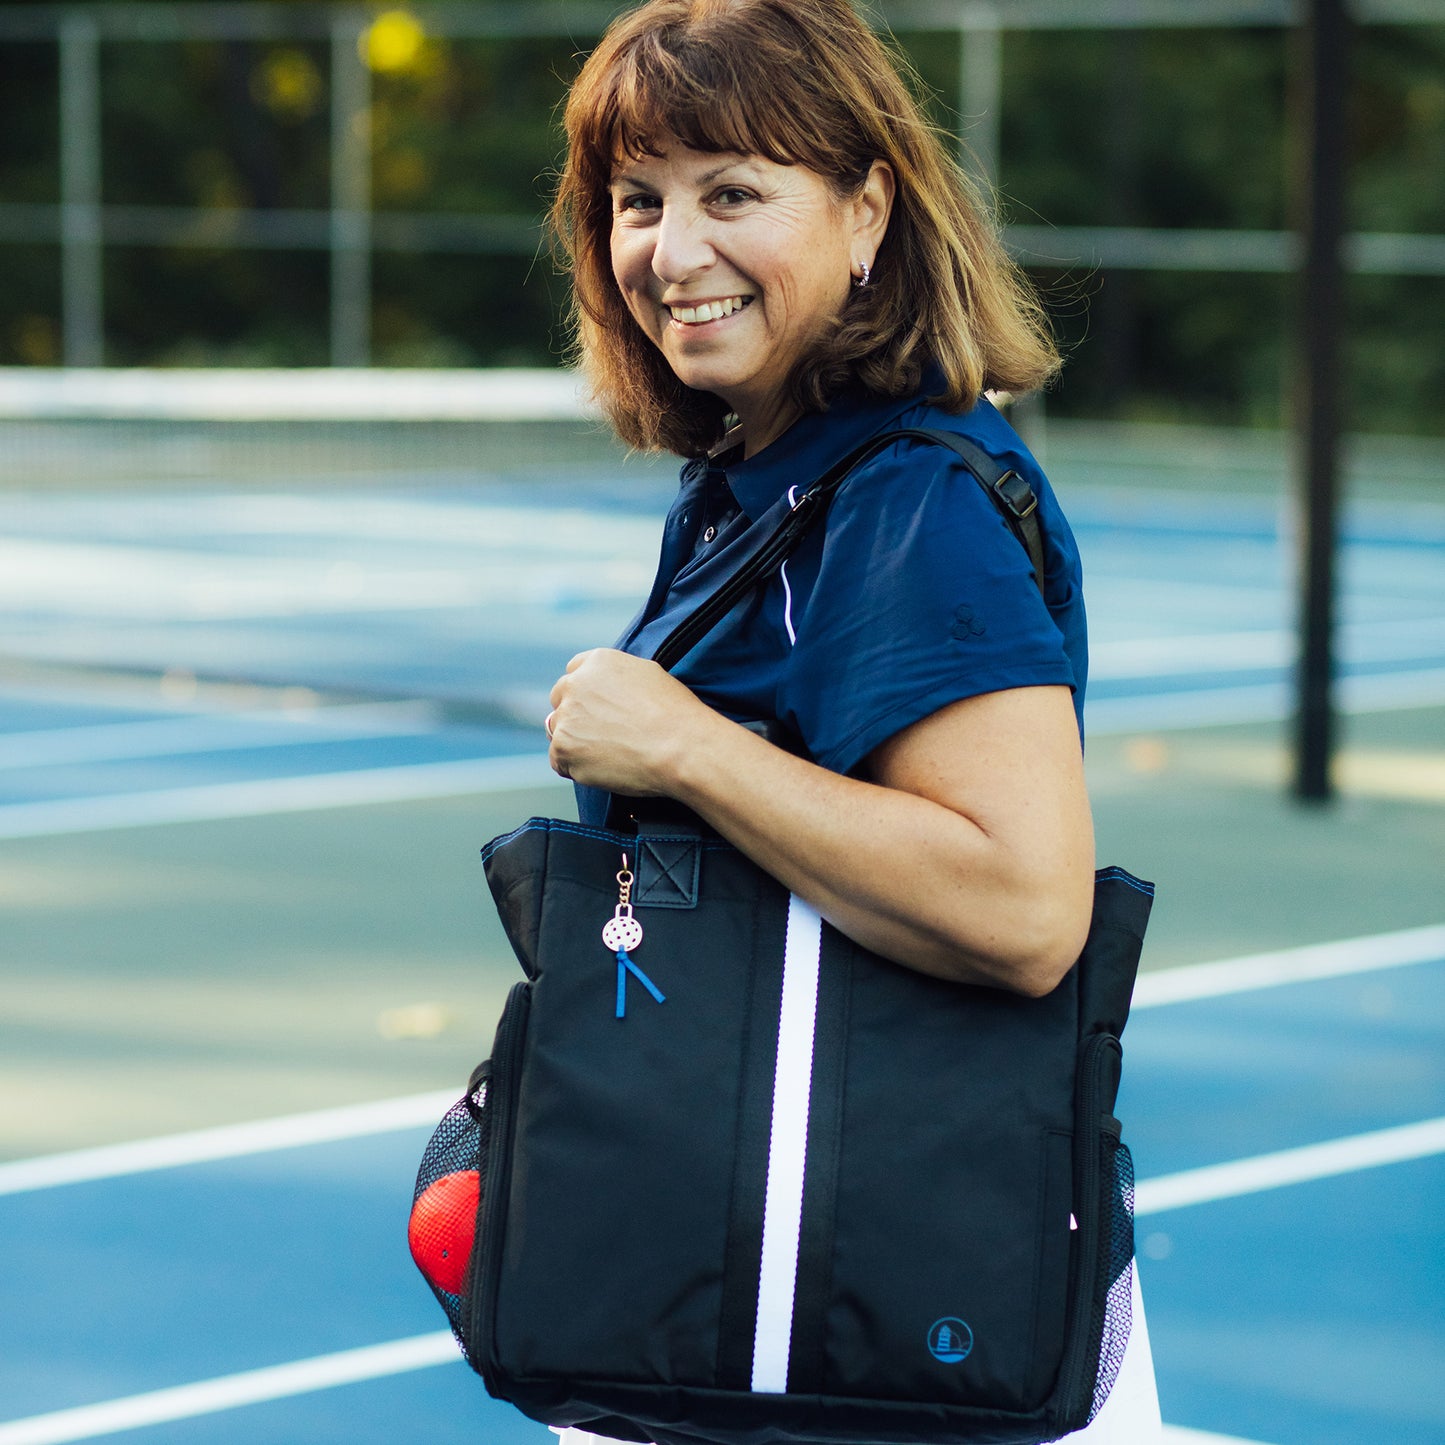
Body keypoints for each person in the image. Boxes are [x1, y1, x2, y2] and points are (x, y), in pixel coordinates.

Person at [540, 0, 1163, 1440]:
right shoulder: (759, 476)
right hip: (774, 1276)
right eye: (637, 202)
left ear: (866, 207)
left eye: (731, 192)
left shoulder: (908, 500)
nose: (671, 250)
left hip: (887, 1312)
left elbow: (1021, 905)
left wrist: (687, 745)